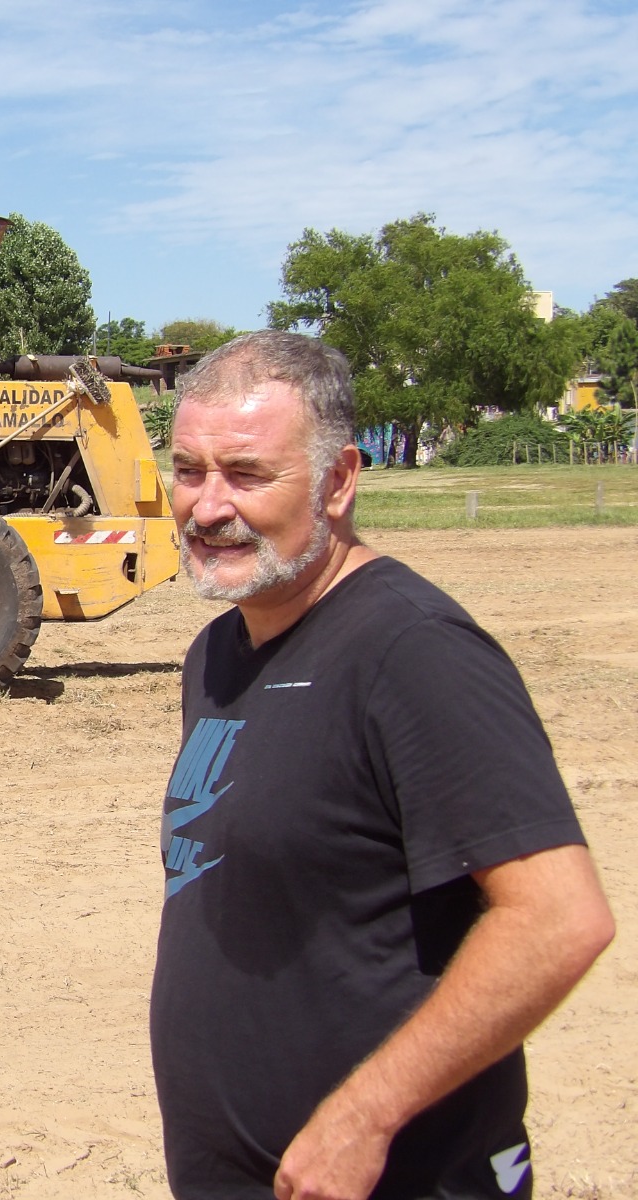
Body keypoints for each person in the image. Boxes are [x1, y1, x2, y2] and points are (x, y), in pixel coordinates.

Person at [150, 330, 614, 1200]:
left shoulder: (411, 651)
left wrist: (364, 1116)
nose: (208, 507)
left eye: (247, 475)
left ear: (338, 481)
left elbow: (559, 918)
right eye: (188, 471)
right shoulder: (217, 652)